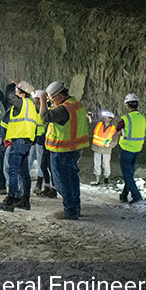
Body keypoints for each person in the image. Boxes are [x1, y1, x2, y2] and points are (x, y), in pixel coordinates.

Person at [0, 76, 40, 212]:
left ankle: (10, 201)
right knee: (24, 173)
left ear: (22, 93)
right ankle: (25, 201)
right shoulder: (31, 106)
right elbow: (6, 99)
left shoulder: (22, 103)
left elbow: (8, 96)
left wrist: (11, 85)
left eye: (18, 91)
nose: (15, 93)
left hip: (18, 142)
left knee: (13, 170)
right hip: (26, 142)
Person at [40, 81, 89, 220]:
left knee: (62, 182)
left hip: (62, 150)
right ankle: (75, 208)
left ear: (60, 96)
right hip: (73, 149)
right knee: (72, 179)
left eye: (52, 98)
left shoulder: (63, 109)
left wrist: (43, 102)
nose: (51, 101)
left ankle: (70, 211)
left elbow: (45, 117)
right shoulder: (75, 104)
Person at [117, 93, 146, 204]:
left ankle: (137, 196)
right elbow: (145, 125)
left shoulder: (125, 119)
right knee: (130, 173)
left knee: (127, 174)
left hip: (126, 148)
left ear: (127, 105)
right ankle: (124, 195)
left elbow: (117, 129)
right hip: (138, 149)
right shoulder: (142, 118)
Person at [90, 110, 118, 185]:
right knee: (97, 164)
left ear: (110, 119)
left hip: (106, 149)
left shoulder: (113, 129)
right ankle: (97, 179)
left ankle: (106, 178)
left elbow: (115, 140)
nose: (104, 118)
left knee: (106, 164)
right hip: (97, 147)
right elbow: (93, 131)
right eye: (104, 117)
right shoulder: (98, 124)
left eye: (106, 117)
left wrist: (110, 144)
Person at [29, 90, 46, 194]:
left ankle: (39, 184)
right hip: (32, 139)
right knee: (29, 160)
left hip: (40, 139)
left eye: (36, 99)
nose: (34, 101)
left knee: (40, 163)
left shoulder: (44, 110)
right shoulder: (32, 110)